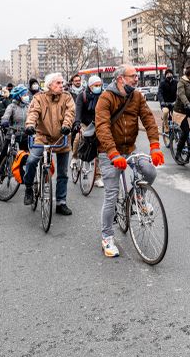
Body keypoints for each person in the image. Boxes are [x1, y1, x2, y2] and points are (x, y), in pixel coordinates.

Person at [95, 64, 165, 258]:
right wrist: (112, 153)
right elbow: (102, 127)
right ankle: (107, 237)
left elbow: (149, 120)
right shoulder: (106, 98)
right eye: (133, 76)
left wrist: (155, 146)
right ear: (120, 79)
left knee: (150, 171)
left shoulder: (137, 96)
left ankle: (138, 198)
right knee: (112, 194)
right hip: (109, 152)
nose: (137, 79)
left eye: (136, 76)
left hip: (130, 148)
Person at [23, 72, 75, 213]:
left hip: (61, 137)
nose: (61, 85)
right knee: (32, 160)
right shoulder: (39, 98)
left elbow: (70, 112)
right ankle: (28, 187)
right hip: (43, 137)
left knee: (63, 173)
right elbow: (33, 112)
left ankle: (60, 202)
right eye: (58, 83)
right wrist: (30, 125)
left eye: (62, 82)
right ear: (49, 85)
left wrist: (67, 125)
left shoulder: (67, 97)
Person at [71, 74, 104, 187]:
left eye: (100, 85)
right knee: (78, 139)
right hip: (85, 123)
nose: (98, 87)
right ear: (90, 86)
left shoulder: (104, 95)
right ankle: (75, 157)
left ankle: (97, 177)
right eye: (96, 85)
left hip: (98, 124)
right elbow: (78, 110)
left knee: (98, 149)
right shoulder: (82, 96)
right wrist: (77, 123)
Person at [0, 85, 30, 165]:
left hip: (24, 134)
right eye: (24, 95)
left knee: (26, 157)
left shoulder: (28, 106)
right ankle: (1, 172)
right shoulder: (11, 106)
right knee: (5, 151)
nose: (27, 96)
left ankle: (22, 174)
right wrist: (5, 121)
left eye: (27, 94)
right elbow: (6, 116)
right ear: (18, 96)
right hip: (12, 133)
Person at [158, 69, 177, 134]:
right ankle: (166, 126)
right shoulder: (162, 83)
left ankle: (176, 127)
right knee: (166, 111)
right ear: (165, 75)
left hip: (174, 103)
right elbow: (160, 93)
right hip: (165, 103)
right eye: (167, 74)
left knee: (176, 114)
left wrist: (177, 101)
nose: (169, 75)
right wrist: (162, 101)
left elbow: (179, 93)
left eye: (170, 73)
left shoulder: (176, 82)